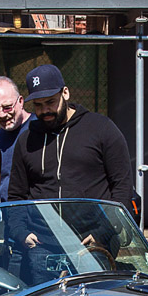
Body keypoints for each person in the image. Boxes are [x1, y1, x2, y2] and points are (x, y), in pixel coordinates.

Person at [8, 64, 134, 212]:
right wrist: (22, 232)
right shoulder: (26, 140)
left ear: (65, 93)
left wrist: (105, 231)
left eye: (50, 102)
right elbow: (16, 196)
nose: (45, 110)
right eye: (38, 105)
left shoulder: (101, 128)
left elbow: (122, 187)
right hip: (41, 233)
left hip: (93, 232)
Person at [0, 76, 32, 202]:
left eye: (7, 107)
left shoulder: (38, 130)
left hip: (35, 213)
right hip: (7, 211)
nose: (3, 114)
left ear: (20, 101)